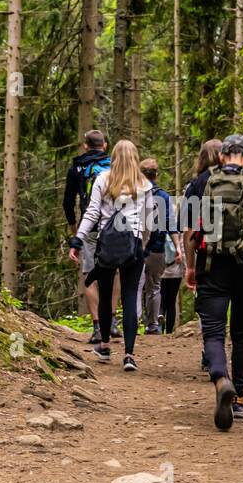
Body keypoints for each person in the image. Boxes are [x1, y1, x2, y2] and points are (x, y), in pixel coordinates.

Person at [183, 134, 243, 430]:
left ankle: (220, 379)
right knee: (241, 333)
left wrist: (190, 267)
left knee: (213, 333)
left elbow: (188, 231)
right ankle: (238, 399)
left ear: (223, 156)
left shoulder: (201, 183)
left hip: (211, 266)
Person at [69, 140, 154, 371]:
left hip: (106, 245)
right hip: (133, 245)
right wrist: (142, 245)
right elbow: (148, 221)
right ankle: (129, 355)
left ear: (113, 156)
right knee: (129, 296)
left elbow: (92, 213)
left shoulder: (102, 179)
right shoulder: (144, 183)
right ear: (135, 158)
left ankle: (105, 345)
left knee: (106, 296)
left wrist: (78, 238)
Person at [63, 130, 119, 342]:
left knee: (89, 274)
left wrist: (74, 227)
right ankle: (112, 321)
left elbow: (68, 201)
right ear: (104, 145)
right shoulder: (114, 167)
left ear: (85, 146)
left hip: (90, 226)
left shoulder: (76, 168)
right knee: (114, 273)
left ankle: (97, 326)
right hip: (114, 227)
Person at [188, 139, 223, 368]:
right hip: (238, 251)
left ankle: (209, 350)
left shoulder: (196, 183)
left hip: (206, 252)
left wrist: (189, 266)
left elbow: (188, 227)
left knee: (208, 306)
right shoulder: (239, 179)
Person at [136, 158, 177, 335]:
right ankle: (152, 325)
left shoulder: (133, 194)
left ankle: (133, 322)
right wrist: (178, 247)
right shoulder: (163, 196)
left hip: (135, 247)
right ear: (156, 175)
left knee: (135, 286)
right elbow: (170, 223)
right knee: (154, 287)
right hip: (157, 248)